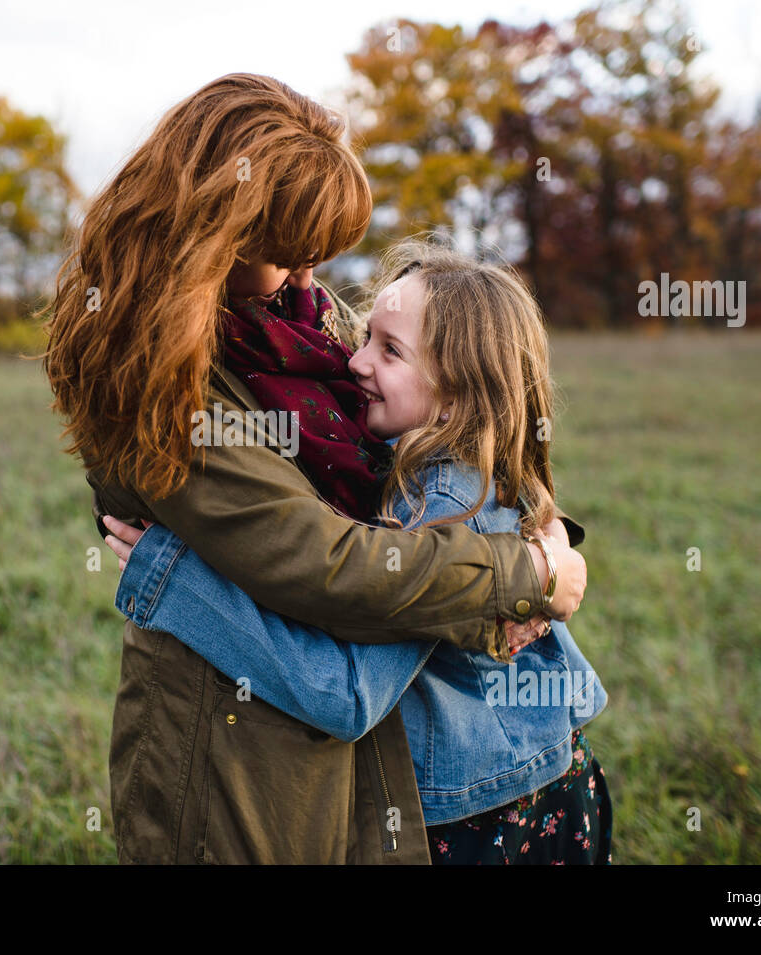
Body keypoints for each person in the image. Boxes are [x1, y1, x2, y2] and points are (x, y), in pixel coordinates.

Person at [45, 73, 587, 864]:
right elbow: (328, 565)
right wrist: (523, 571)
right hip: (241, 747)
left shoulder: (296, 317)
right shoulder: (158, 384)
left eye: (315, 258)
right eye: (287, 256)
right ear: (212, 239)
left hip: (354, 742)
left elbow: (455, 419)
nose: (311, 281)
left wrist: (536, 531)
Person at [103, 241, 611, 863]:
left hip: (491, 823)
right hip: (546, 783)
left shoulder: (441, 504)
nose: (356, 363)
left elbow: (345, 695)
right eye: (367, 337)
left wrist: (175, 584)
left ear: (459, 396)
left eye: (390, 351)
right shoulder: (480, 461)